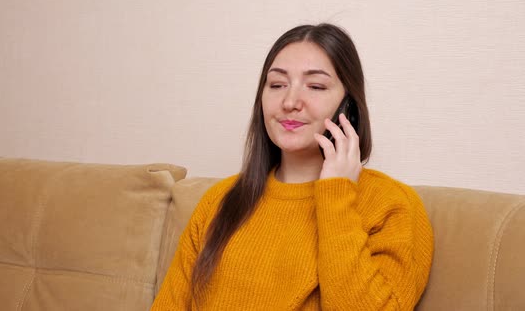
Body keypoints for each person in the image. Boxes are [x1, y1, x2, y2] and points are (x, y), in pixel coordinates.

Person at [152, 23, 434, 310]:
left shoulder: (390, 204)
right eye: (277, 85)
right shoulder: (218, 201)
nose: (289, 102)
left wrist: (336, 194)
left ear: (349, 105)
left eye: (315, 86)